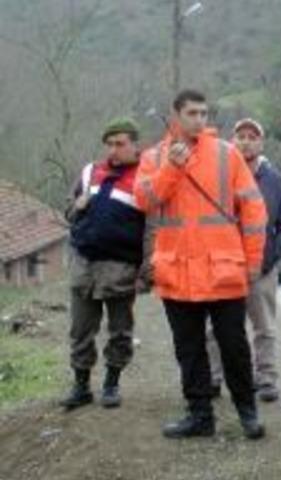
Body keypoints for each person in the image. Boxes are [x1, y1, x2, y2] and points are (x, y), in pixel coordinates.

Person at [133, 89, 268, 440]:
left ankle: (247, 412)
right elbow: (145, 200)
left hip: (223, 270)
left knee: (234, 346)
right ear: (175, 115)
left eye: (204, 113)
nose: (199, 120)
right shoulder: (153, 157)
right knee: (188, 349)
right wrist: (171, 170)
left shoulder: (228, 155)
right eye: (192, 113)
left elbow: (254, 212)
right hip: (177, 271)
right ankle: (199, 415)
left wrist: (253, 263)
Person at [206, 118, 281, 403]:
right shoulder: (217, 176)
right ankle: (213, 378)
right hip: (223, 266)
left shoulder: (276, 181)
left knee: (264, 327)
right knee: (215, 328)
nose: (245, 141)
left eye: (251, 136)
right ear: (231, 141)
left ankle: (266, 379)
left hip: (262, 269)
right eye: (240, 136)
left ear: (261, 143)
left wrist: (272, 254)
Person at [61, 117, 146, 410]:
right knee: (81, 330)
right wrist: (77, 206)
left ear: (135, 145)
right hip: (83, 264)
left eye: (120, 144)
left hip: (121, 267)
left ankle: (111, 385)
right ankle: (81, 386)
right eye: (109, 144)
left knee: (120, 330)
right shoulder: (89, 172)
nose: (113, 150)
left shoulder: (146, 177)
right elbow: (68, 212)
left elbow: (153, 229)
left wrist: (146, 272)